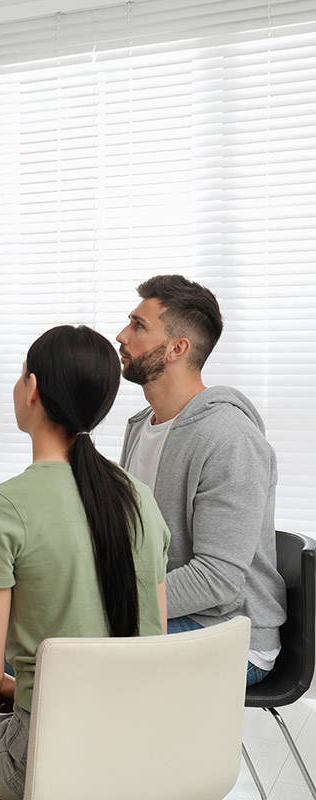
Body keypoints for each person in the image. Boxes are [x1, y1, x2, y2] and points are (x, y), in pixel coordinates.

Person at [0, 325, 170, 800]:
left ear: (33, 390)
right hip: (135, 746)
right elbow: (156, 641)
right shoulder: (139, 498)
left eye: (21, 374)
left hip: (41, 753)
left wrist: (12, 689)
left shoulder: (4, 507)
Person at [117, 274, 286, 684]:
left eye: (138, 325)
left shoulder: (230, 439)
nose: (121, 335)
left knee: (60, 658)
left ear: (177, 348)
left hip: (231, 635)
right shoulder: (141, 425)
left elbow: (217, 579)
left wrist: (111, 603)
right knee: (32, 645)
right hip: (173, 614)